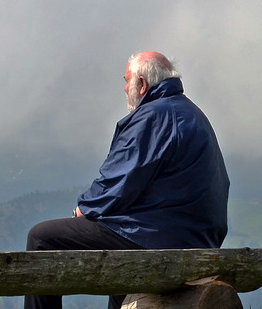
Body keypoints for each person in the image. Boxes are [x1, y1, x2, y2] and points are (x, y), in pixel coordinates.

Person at [23, 51, 229, 309]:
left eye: (126, 79)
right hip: (198, 239)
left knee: (42, 239)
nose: (124, 87)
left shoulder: (154, 117)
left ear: (142, 84)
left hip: (160, 238)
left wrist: (84, 209)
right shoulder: (192, 114)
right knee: (119, 254)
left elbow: (120, 181)